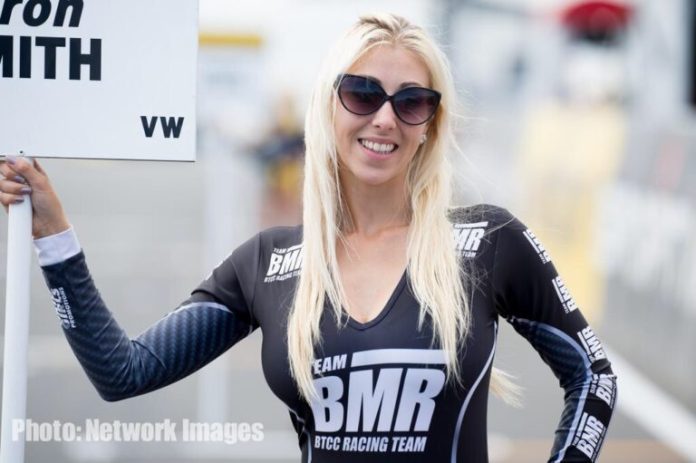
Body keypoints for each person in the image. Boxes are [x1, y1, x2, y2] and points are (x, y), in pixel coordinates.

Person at [0, 12, 616, 463]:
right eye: (362, 93)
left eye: (412, 102)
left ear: (432, 123)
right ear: (329, 106)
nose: (383, 118)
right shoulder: (267, 264)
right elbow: (122, 372)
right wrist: (53, 235)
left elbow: (593, 376)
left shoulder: (488, 242)